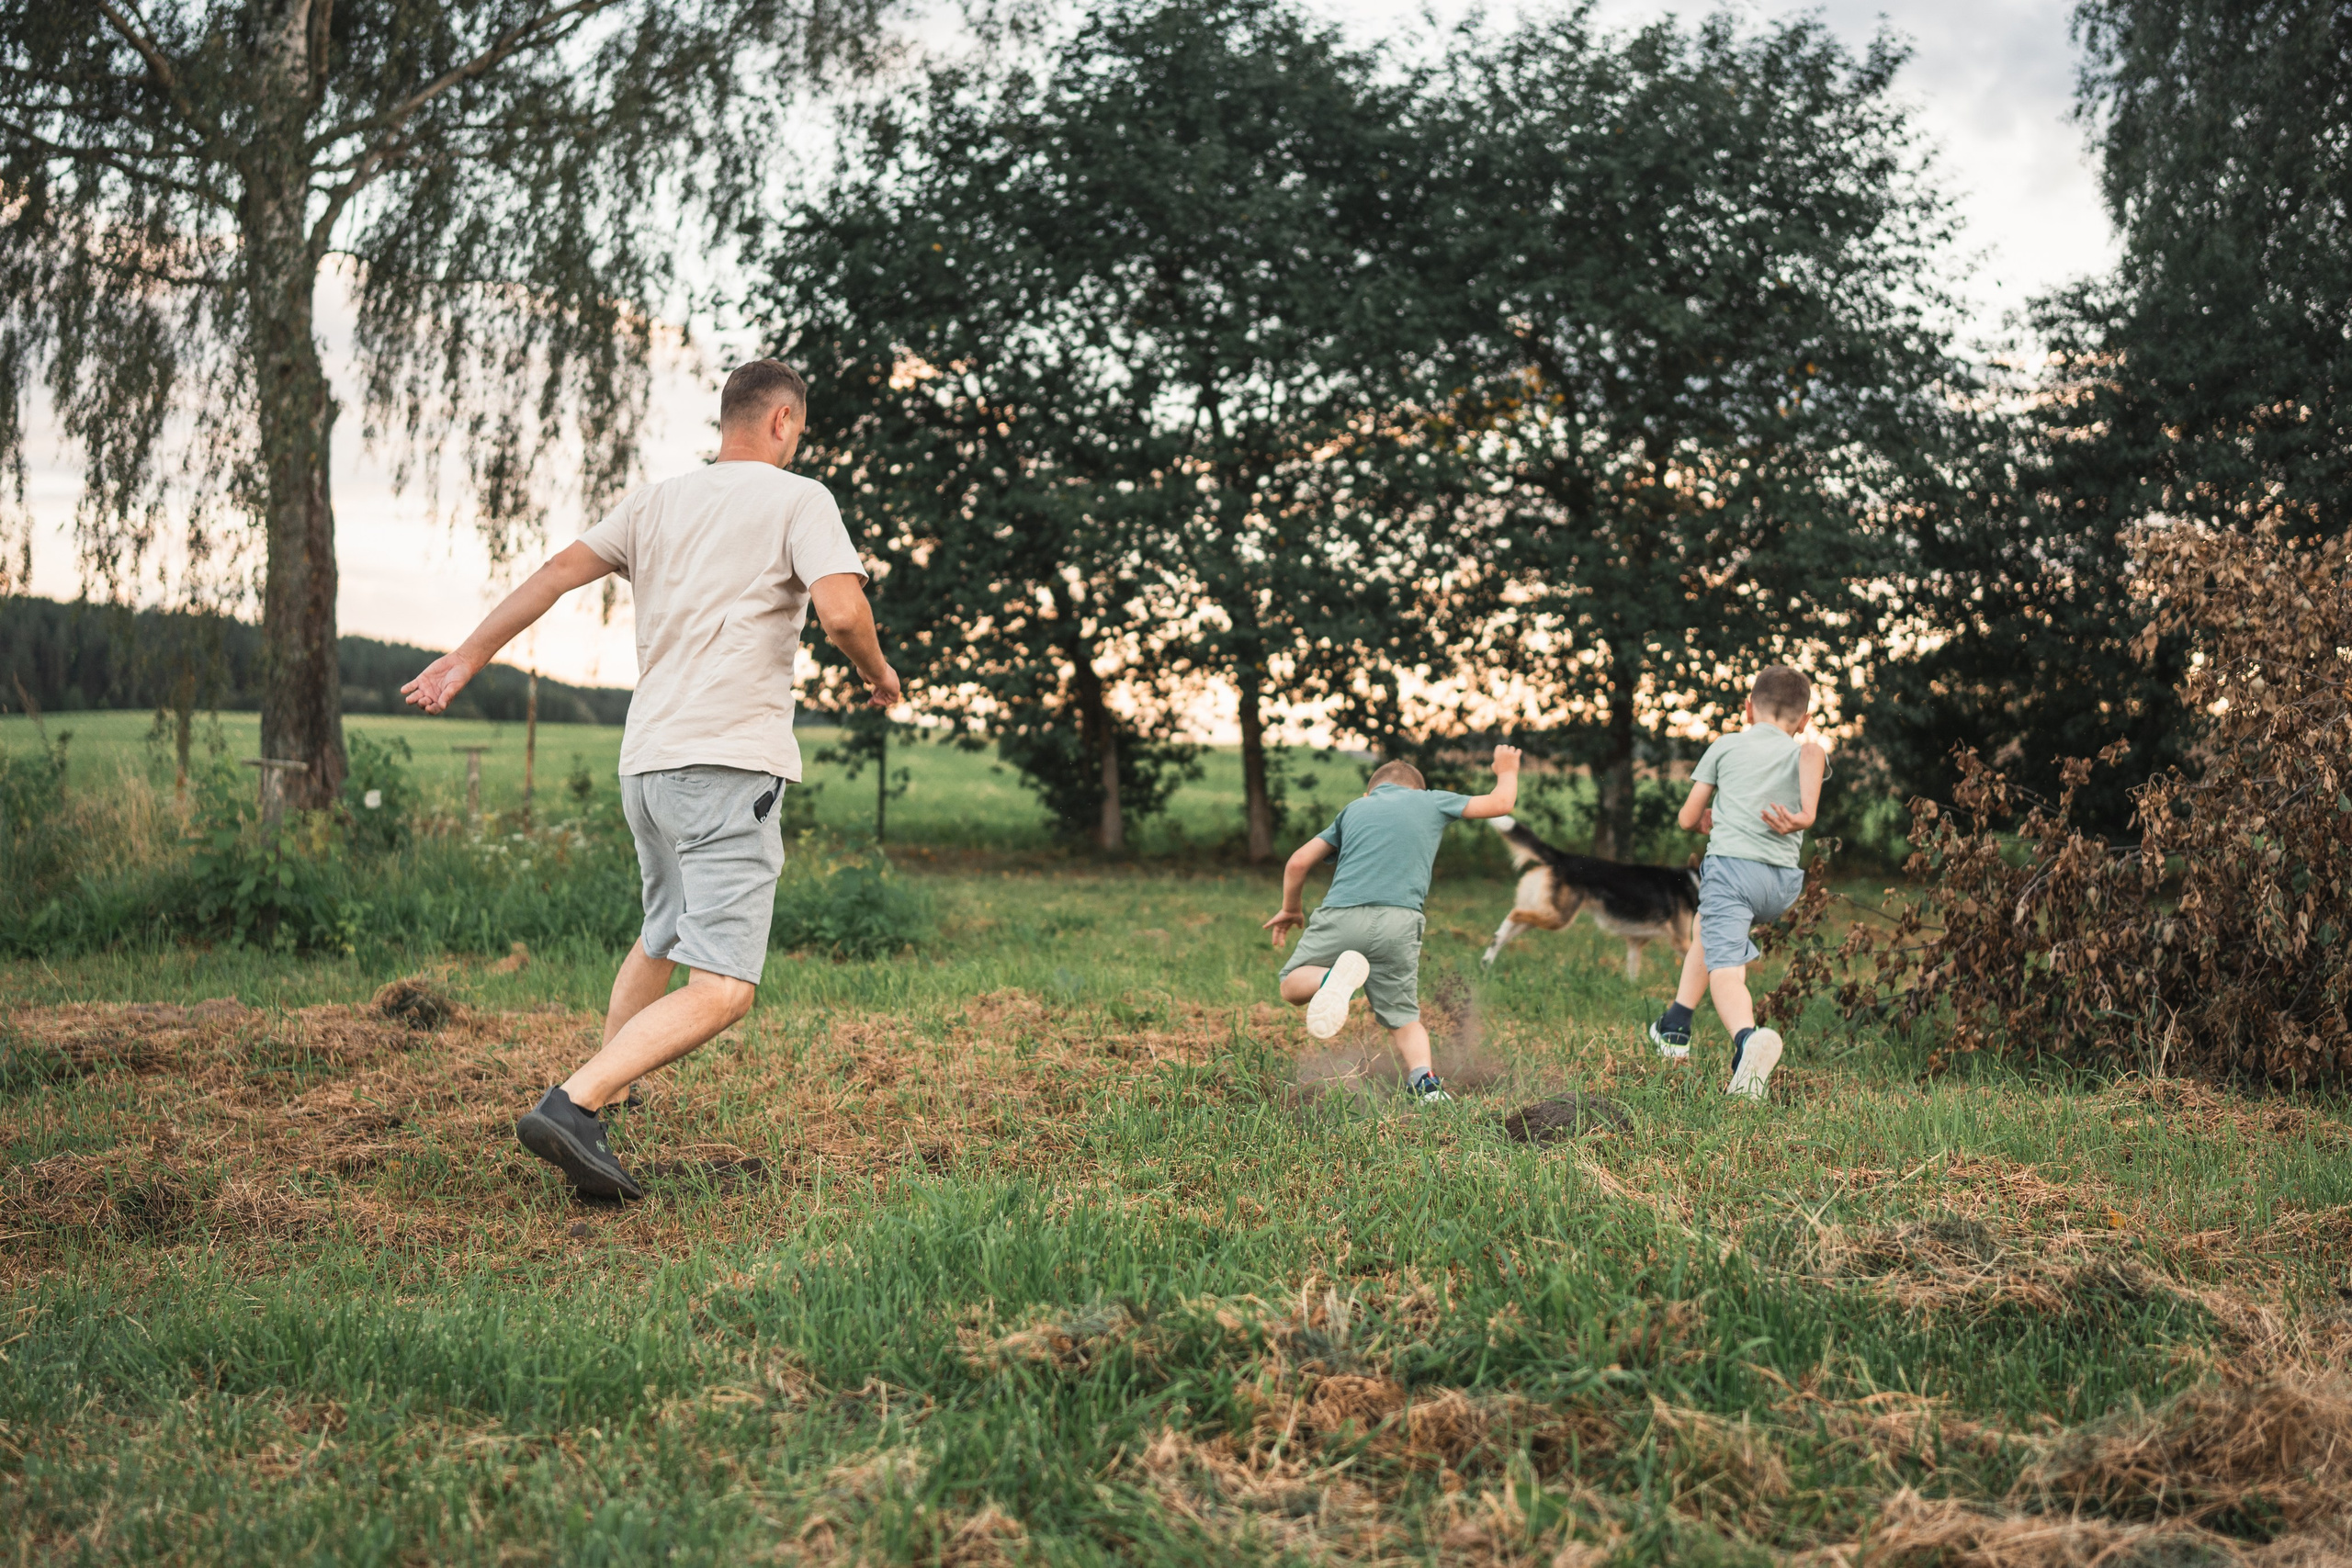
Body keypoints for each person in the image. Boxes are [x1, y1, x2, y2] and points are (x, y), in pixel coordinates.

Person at [401, 359, 899, 1199]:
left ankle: (604, 1099)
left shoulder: (655, 501)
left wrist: (467, 656)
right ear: (783, 421)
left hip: (649, 764)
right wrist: (877, 673)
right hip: (728, 764)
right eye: (798, 430)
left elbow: (556, 573)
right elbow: (844, 611)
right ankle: (575, 1104)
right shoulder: (800, 499)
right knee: (725, 986)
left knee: (663, 932)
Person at [1263, 747, 1521, 1101]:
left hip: (1342, 915)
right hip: (1400, 923)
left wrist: (1291, 908)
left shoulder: (1354, 809)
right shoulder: (1431, 801)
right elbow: (1501, 803)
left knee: (1292, 985)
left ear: (1368, 793)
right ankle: (1426, 1084)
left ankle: (1331, 978)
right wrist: (1507, 770)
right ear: (1418, 790)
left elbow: (1297, 863)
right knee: (1404, 1017)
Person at [1648, 665, 1825, 1100]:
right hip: (1781, 884)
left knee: (1726, 971)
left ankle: (1747, 1041)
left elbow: (1687, 818)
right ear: (1804, 720)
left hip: (1731, 875)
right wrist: (1806, 814)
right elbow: (1812, 754)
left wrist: (1702, 818)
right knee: (1705, 929)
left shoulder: (1726, 746)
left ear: (1748, 709)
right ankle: (1675, 1024)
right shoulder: (1803, 752)